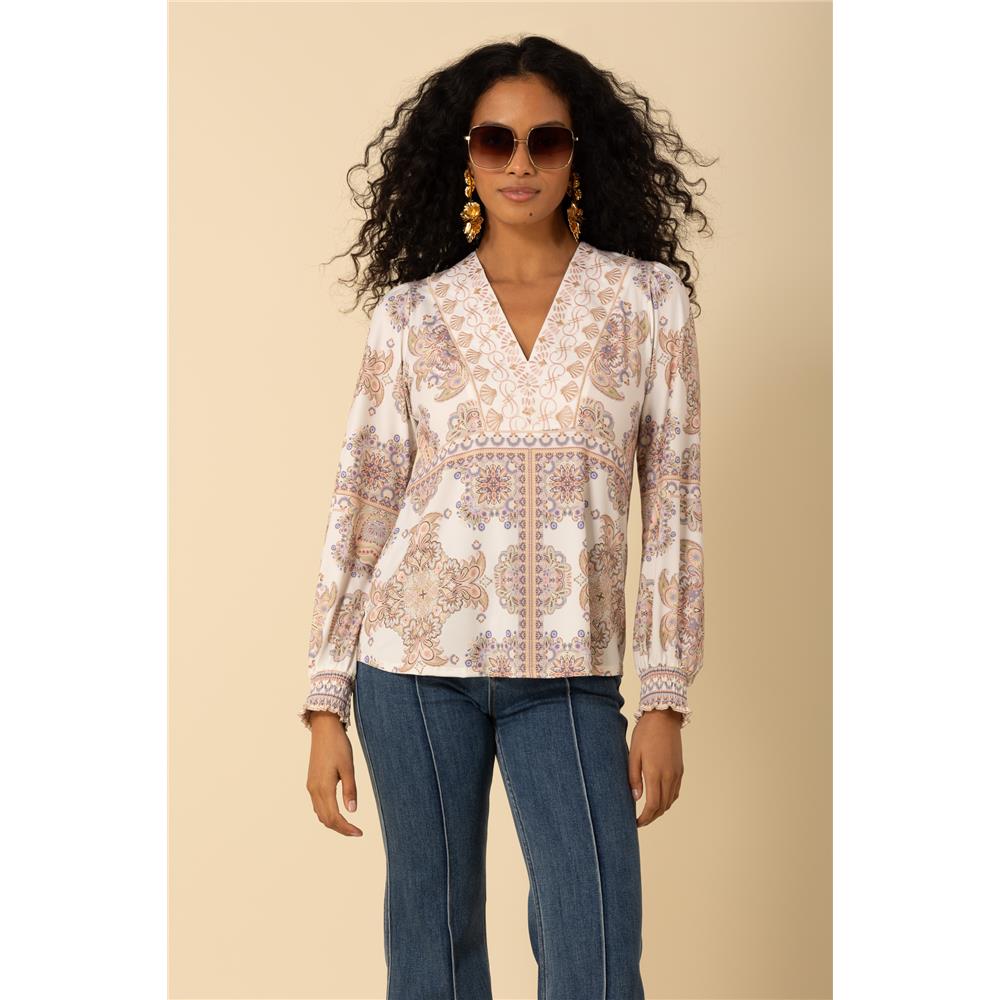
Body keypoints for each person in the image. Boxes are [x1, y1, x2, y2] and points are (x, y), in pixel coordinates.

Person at [300, 34, 712, 1000]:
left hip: (568, 672)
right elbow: (363, 498)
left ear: (579, 153)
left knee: (595, 949)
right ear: (466, 155)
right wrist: (325, 702)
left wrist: (665, 696)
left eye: (545, 140)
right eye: (495, 140)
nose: (520, 163)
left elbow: (676, 505)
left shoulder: (649, 303)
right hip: (410, 668)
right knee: (432, 949)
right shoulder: (412, 315)